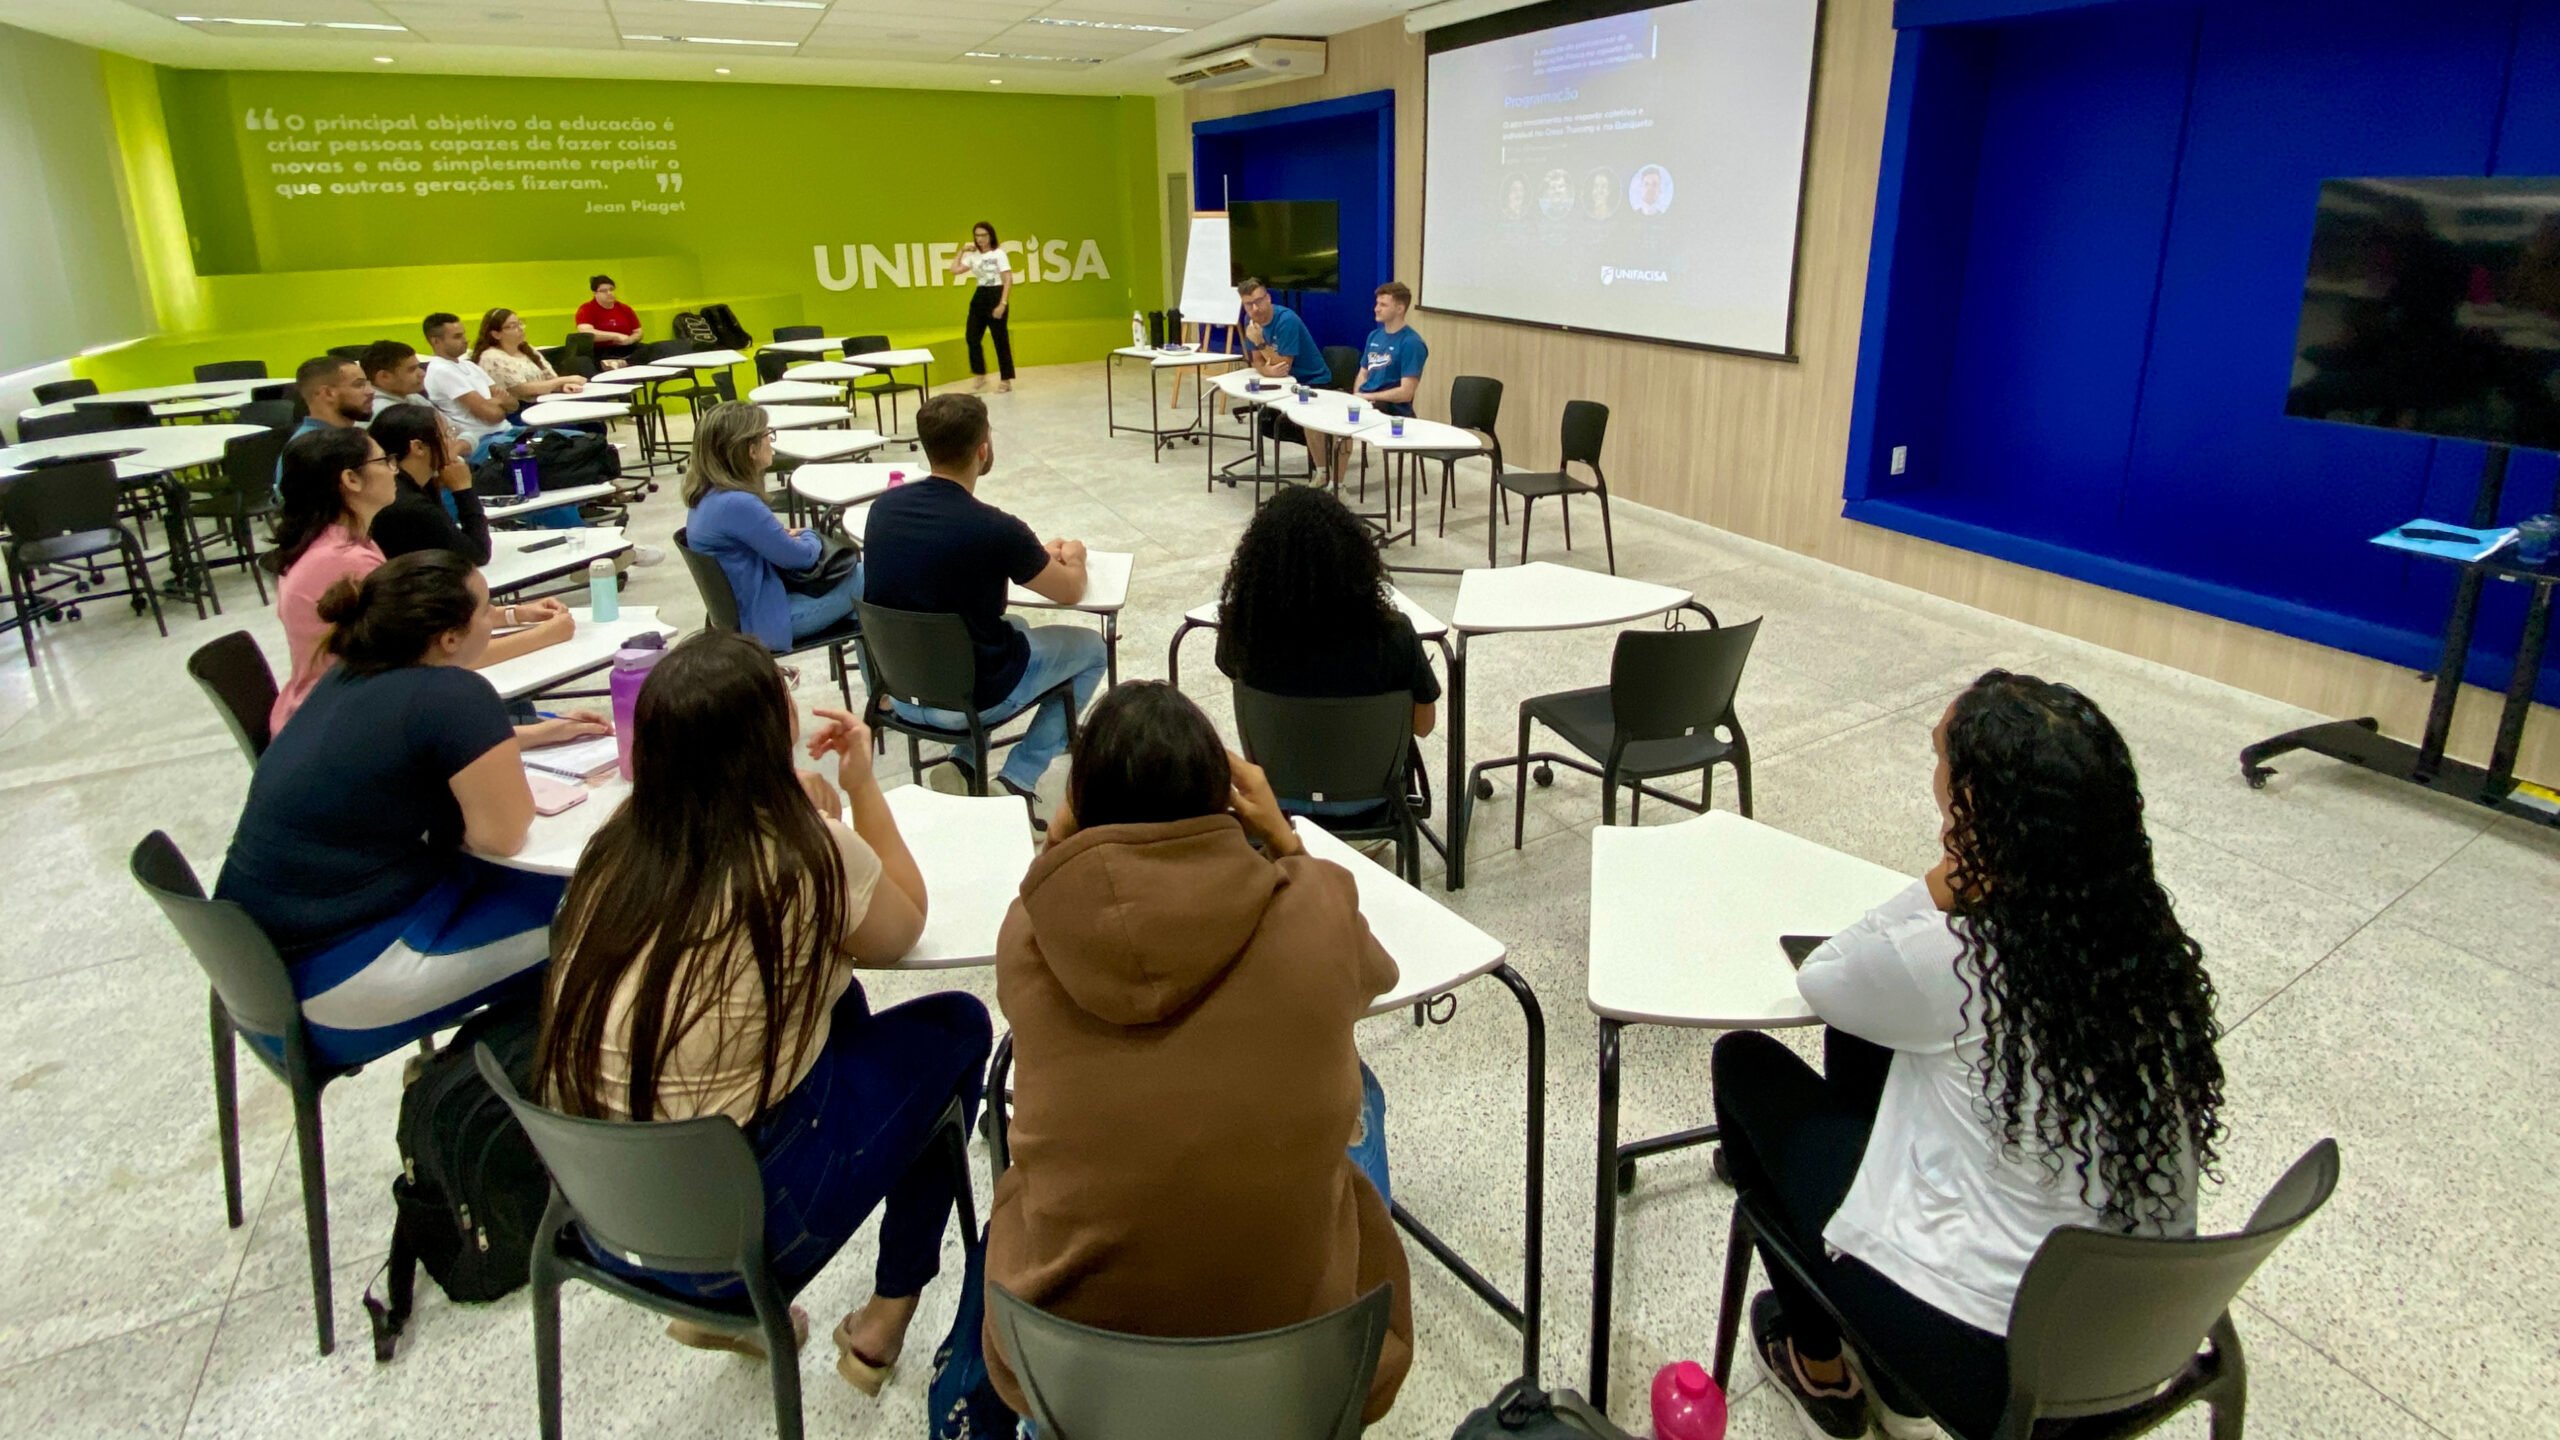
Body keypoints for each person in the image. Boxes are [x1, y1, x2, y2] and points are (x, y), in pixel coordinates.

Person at [1715, 670, 2228, 1440]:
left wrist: (1942, 883)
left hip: (1997, 1366)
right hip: (2142, 1325)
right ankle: (1878, 1357)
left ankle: (1821, 1364)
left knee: (1744, 1065)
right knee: (1868, 1037)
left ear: (1980, 810)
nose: (1933, 780)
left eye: (1940, 762)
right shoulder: (2134, 942)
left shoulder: (1956, 959)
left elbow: (1827, 976)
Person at [538, 630, 988, 1394]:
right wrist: (858, 797)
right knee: (957, 1030)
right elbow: (905, 923)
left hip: (603, 1218)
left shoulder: (616, 845)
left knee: (836, 994)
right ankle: (888, 1314)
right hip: (739, 1233)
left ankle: (732, 1315)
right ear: (766, 736)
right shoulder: (801, 851)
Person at [983, 681, 1412, 1426]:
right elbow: (1378, 972)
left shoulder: (1028, 937)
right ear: (1227, 800)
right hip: (1300, 1375)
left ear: (1078, 808)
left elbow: (1040, 898)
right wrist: (1284, 836)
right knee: (1359, 1099)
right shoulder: (1310, 912)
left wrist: (1060, 845)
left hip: (1073, 1378)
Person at [216, 552, 568, 1067]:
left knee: (540, 892)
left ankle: (501, 1061)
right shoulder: (455, 695)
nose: (494, 620)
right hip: (335, 994)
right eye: (488, 610)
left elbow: (411, 749)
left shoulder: (349, 674)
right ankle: (494, 1082)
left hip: (264, 976)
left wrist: (534, 734)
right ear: (449, 637)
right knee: (600, 916)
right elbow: (502, 836)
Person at [860, 394, 1104, 806]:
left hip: (900, 691)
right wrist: (1074, 557)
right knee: (1092, 649)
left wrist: (1031, 555)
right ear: (983, 450)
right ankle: (1018, 780)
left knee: (1018, 628)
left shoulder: (883, 510)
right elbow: (1070, 590)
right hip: (966, 700)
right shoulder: (995, 528)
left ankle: (964, 763)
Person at [269, 427, 581, 733]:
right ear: (350, 479)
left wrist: (513, 614)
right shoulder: (344, 560)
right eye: (384, 462)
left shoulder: (342, 542)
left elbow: (417, 628)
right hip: (346, 724)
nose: (394, 471)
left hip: (341, 707)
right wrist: (544, 636)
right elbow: (433, 655)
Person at [1216, 486, 1437, 816]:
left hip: (1277, 797)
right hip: (1372, 798)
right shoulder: (1394, 635)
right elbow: (1423, 726)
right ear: (1354, 557)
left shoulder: (1243, 630)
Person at [683, 402, 864, 651]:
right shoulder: (738, 504)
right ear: (750, 449)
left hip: (742, 615)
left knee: (863, 607)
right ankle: (887, 685)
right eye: (767, 434)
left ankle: (883, 686)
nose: (771, 441)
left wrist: (781, 538)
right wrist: (811, 534)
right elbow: (800, 558)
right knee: (871, 576)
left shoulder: (705, 497)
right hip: (765, 622)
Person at [366, 405, 490, 566]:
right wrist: (463, 489)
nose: (452, 442)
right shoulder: (410, 505)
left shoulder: (407, 485)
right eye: (446, 435)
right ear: (418, 447)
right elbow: (477, 554)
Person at [1238, 276, 1336, 472]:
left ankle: (1324, 447)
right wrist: (1266, 370)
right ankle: (1318, 443)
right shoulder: (1250, 321)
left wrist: (1260, 343)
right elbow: (1256, 360)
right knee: (1266, 422)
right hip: (1286, 383)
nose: (1255, 309)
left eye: (1258, 301)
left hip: (1312, 380)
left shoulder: (1286, 320)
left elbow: (1284, 365)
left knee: (1293, 420)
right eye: (1249, 305)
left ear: (1267, 298)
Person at [1337, 280, 1428, 483]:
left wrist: (1367, 397)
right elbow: (1363, 372)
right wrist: (1358, 398)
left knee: (1338, 427)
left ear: (1399, 308)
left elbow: (1406, 392)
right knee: (1324, 417)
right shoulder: (1374, 335)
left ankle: (1337, 484)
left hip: (1392, 409)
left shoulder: (1411, 343)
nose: (1376, 308)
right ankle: (1324, 472)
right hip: (1368, 400)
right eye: (1377, 303)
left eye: (1383, 305)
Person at [421, 312, 525, 463]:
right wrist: (496, 401)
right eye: (457, 337)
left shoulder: (469, 365)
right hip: (484, 441)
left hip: (509, 430)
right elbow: (491, 415)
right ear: (436, 341)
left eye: (464, 334)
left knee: (567, 438)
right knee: (556, 451)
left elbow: (513, 404)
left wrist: (492, 402)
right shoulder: (441, 370)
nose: (465, 340)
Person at [946, 221, 1015, 393]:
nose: (980, 239)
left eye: (984, 235)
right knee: (971, 337)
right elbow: (954, 270)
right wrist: (961, 251)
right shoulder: (973, 256)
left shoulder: (999, 254)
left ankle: (1006, 379)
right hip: (980, 295)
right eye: (977, 235)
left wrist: (1002, 303)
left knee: (1000, 339)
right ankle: (980, 373)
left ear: (991, 235)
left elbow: (1008, 279)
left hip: (996, 294)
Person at [472, 308, 588, 403]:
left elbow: (550, 378)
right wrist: (564, 380)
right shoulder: (491, 357)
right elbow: (522, 389)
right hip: (522, 411)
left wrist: (563, 386)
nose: (521, 329)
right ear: (496, 334)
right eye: (513, 326)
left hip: (548, 401)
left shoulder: (527, 350)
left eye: (520, 323)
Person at [575, 275, 643, 366]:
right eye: (604, 291)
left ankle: (624, 363)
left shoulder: (624, 308)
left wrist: (630, 340)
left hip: (626, 348)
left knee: (651, 349)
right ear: (595, 293)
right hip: (601, 351)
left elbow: (638, 331)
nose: (609, 293)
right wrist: (615, 336)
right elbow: (586, 333)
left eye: (611, 289)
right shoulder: (586, 309)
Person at [362, 340, 431, 419]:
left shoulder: (411, 396)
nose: (422, 373)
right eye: (412, 369)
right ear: (384, 377)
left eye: (418, 367)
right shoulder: (383, 413)